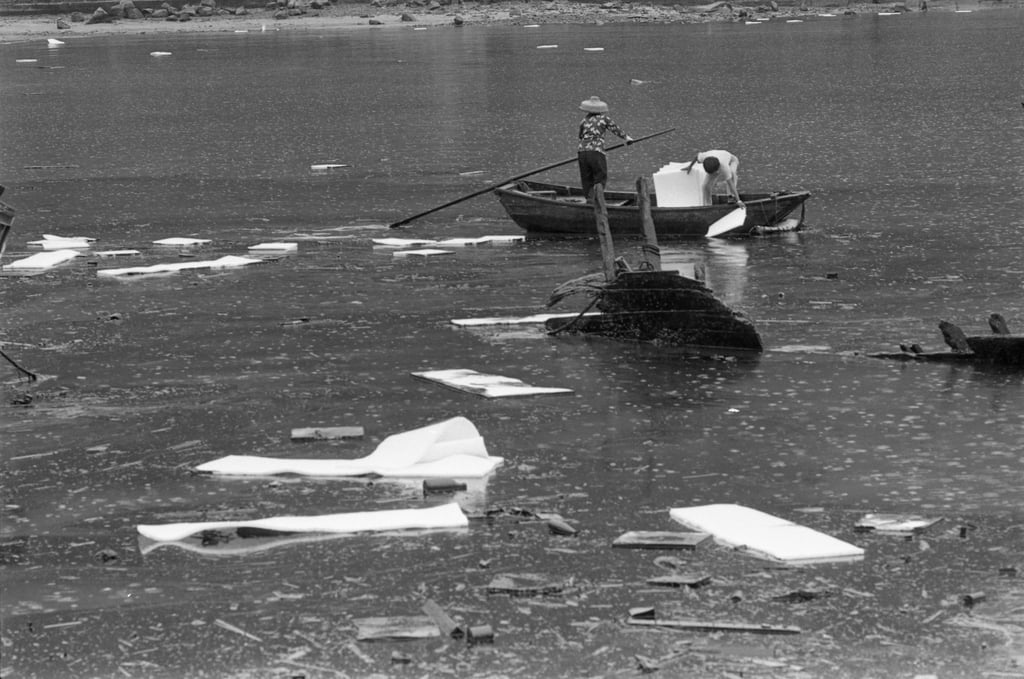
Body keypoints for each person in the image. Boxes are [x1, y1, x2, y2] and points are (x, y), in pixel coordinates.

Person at [577, 96, 633, 201]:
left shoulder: (583, 121)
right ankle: (597, 199)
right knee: (600, 175)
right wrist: (627, 138)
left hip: (582, 152)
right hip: (596, 152)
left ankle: (589, 199)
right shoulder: (603, 119)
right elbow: (615, 129)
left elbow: (580, 136)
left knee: (586, 177)